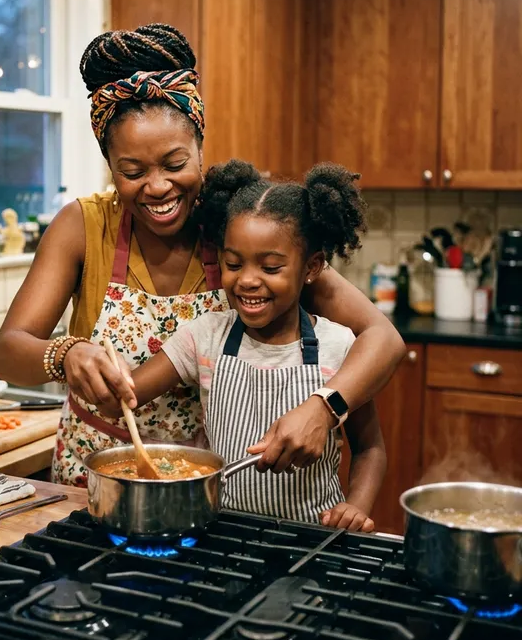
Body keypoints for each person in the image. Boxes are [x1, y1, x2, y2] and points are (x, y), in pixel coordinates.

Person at [0, 23, 404, 488]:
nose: (158, 187)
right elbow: (8, 353)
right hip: (92, 482)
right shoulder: (82, 226)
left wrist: (327, 406)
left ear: (200, 148)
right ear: (110, 167)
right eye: (132, 172)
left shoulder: (237, 226)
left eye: (175, 164)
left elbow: (382, 338)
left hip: (203, 488)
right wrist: (66, 353)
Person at [126, 159, 386, 531]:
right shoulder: (205, 336)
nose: (247, 280)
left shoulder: (339, 345)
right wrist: (101, 371)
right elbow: (130, 390)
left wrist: (355, 508)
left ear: (311, 267)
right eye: (233, 264)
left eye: (270, 267)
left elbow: (370, 448)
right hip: (220, 531)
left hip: (312, 538)